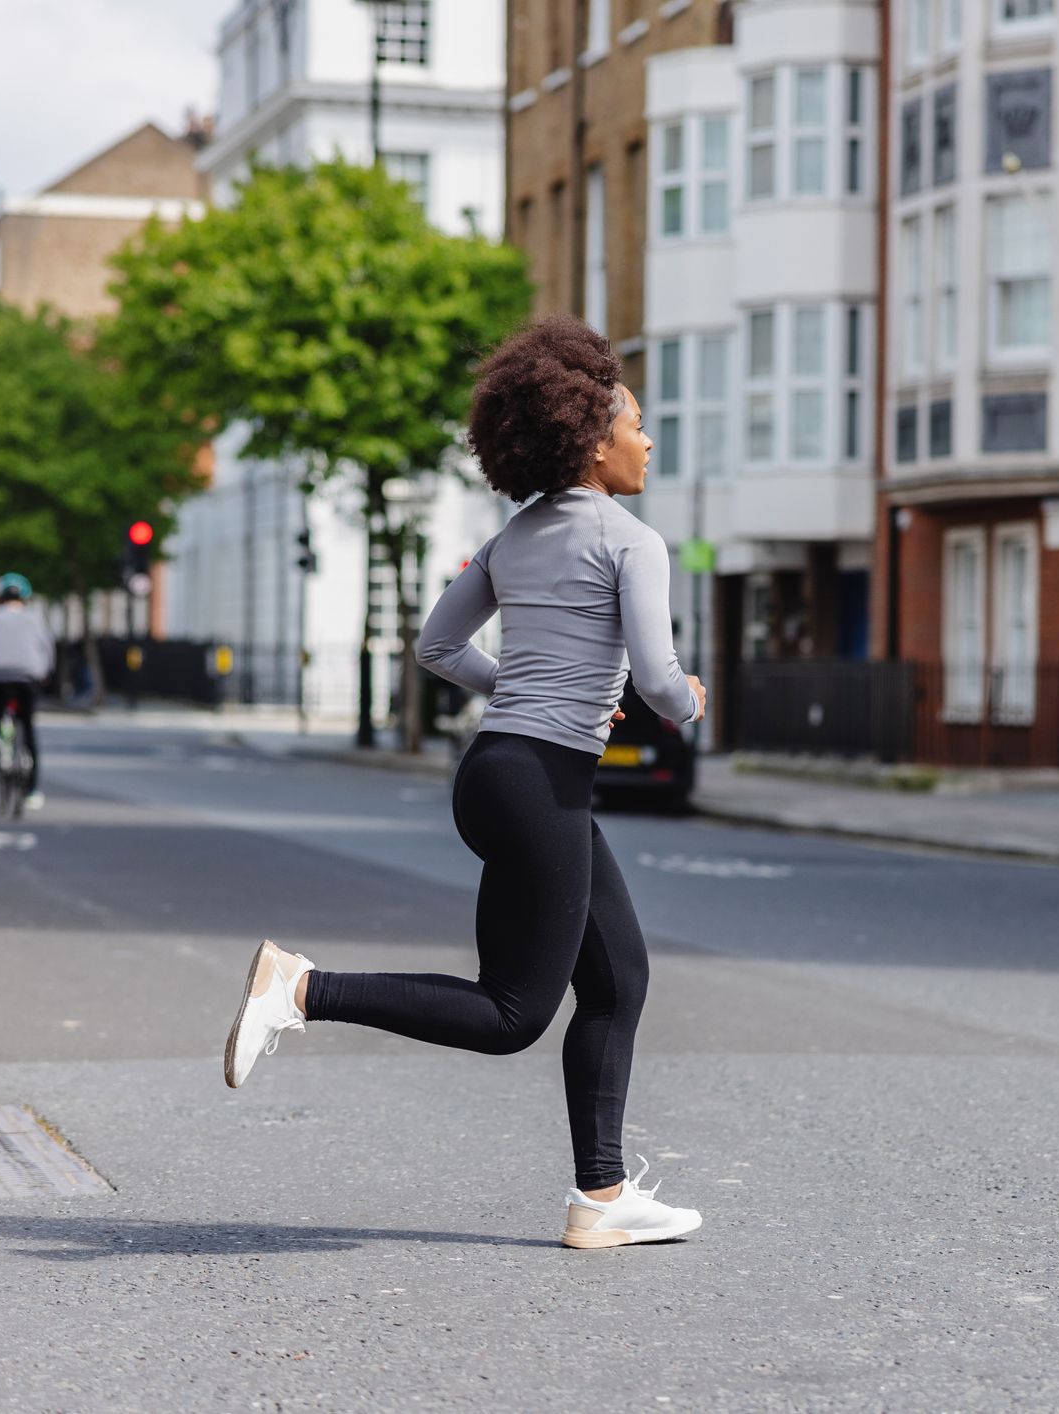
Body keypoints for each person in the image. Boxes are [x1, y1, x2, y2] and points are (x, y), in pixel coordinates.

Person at [222, 315, 709, 1251]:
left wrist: (523, 689)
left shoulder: (514, 537)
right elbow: (655, 682)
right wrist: (689, 699)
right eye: (638, 424)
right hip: (543, 785)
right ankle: (301, 988)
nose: (649, 441)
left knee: (618, 977)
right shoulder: (632, 541)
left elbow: (438, 646)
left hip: (495, 776)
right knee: (511, 1015)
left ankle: (601, 1199)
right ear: (594, 438)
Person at [0, 573, 56, 810]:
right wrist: (46, 673)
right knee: (27, 728)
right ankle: (32, 790)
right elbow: (47, 649)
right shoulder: (35, 618)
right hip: (28, 675)